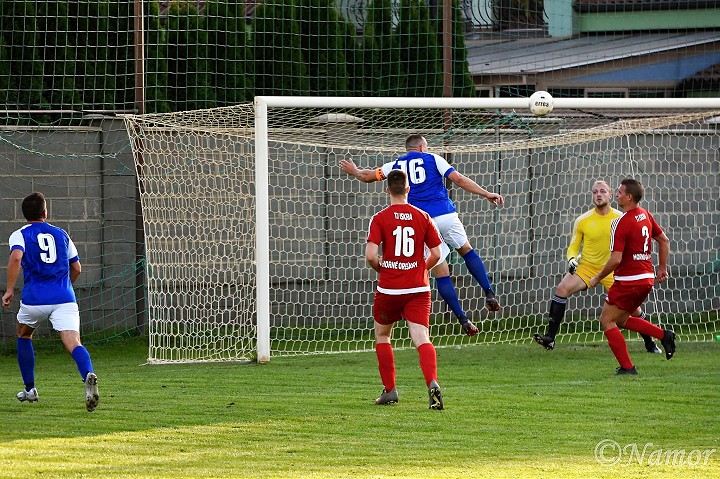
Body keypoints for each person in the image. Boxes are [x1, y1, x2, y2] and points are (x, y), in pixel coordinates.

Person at [340, 134, 504, 337]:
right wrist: (486, 193)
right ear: (421, 148)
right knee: (466, 250)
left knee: (441, 272)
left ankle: (463, 319)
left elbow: (368, 176)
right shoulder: (434, 159)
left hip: (424, 221)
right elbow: (459, 180)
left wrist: (354, 171)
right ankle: (488, 292)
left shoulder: (396, 165)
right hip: (446, 214)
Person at [533, 180, 662, 354]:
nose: (598, 194)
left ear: (611, 195)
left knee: (634, 310)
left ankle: (650, 343)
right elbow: (573, 246)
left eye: (602, 191)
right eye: (595, 192)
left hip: (613, 269)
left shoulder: (621, 218)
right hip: (587, 267)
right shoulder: (582, 220)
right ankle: (550, 338)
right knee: (562, 289)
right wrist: (571, 259)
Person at [2, 192, 100, 411]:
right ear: (45, 212)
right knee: (73, 342)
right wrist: (65, 288)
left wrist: (9, 289)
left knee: (23, 333)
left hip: (34, 299)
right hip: (64, 298)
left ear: (24, 214)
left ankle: (30, 389)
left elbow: (16, 258)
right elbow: (76, 268)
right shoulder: (62, 234)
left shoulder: (19, 234)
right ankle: (88, 375)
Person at [366, 169, 445, 409]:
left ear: (387, 189)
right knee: (421, 338)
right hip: (418, 289)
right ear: (408, 189)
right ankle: (432, 383)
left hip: (389, 290)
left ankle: (390, 390)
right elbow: (437, 254)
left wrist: (385, 269)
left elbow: (370, 256)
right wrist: (421, 269)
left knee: (382, 335)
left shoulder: (380, 218)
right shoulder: (423, 216)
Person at [588, 178, 675, 374]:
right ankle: (664, 335)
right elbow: (665, 240)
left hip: (629, 280)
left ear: (628, 197)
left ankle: (627, 368)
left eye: (619, 192)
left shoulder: (621, 223)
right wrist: (662, 268)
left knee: (607, 321)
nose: (616, 194)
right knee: (622, 319)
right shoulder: (645, 215)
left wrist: (597, 277)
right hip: (646, 279)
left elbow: (616, 259)